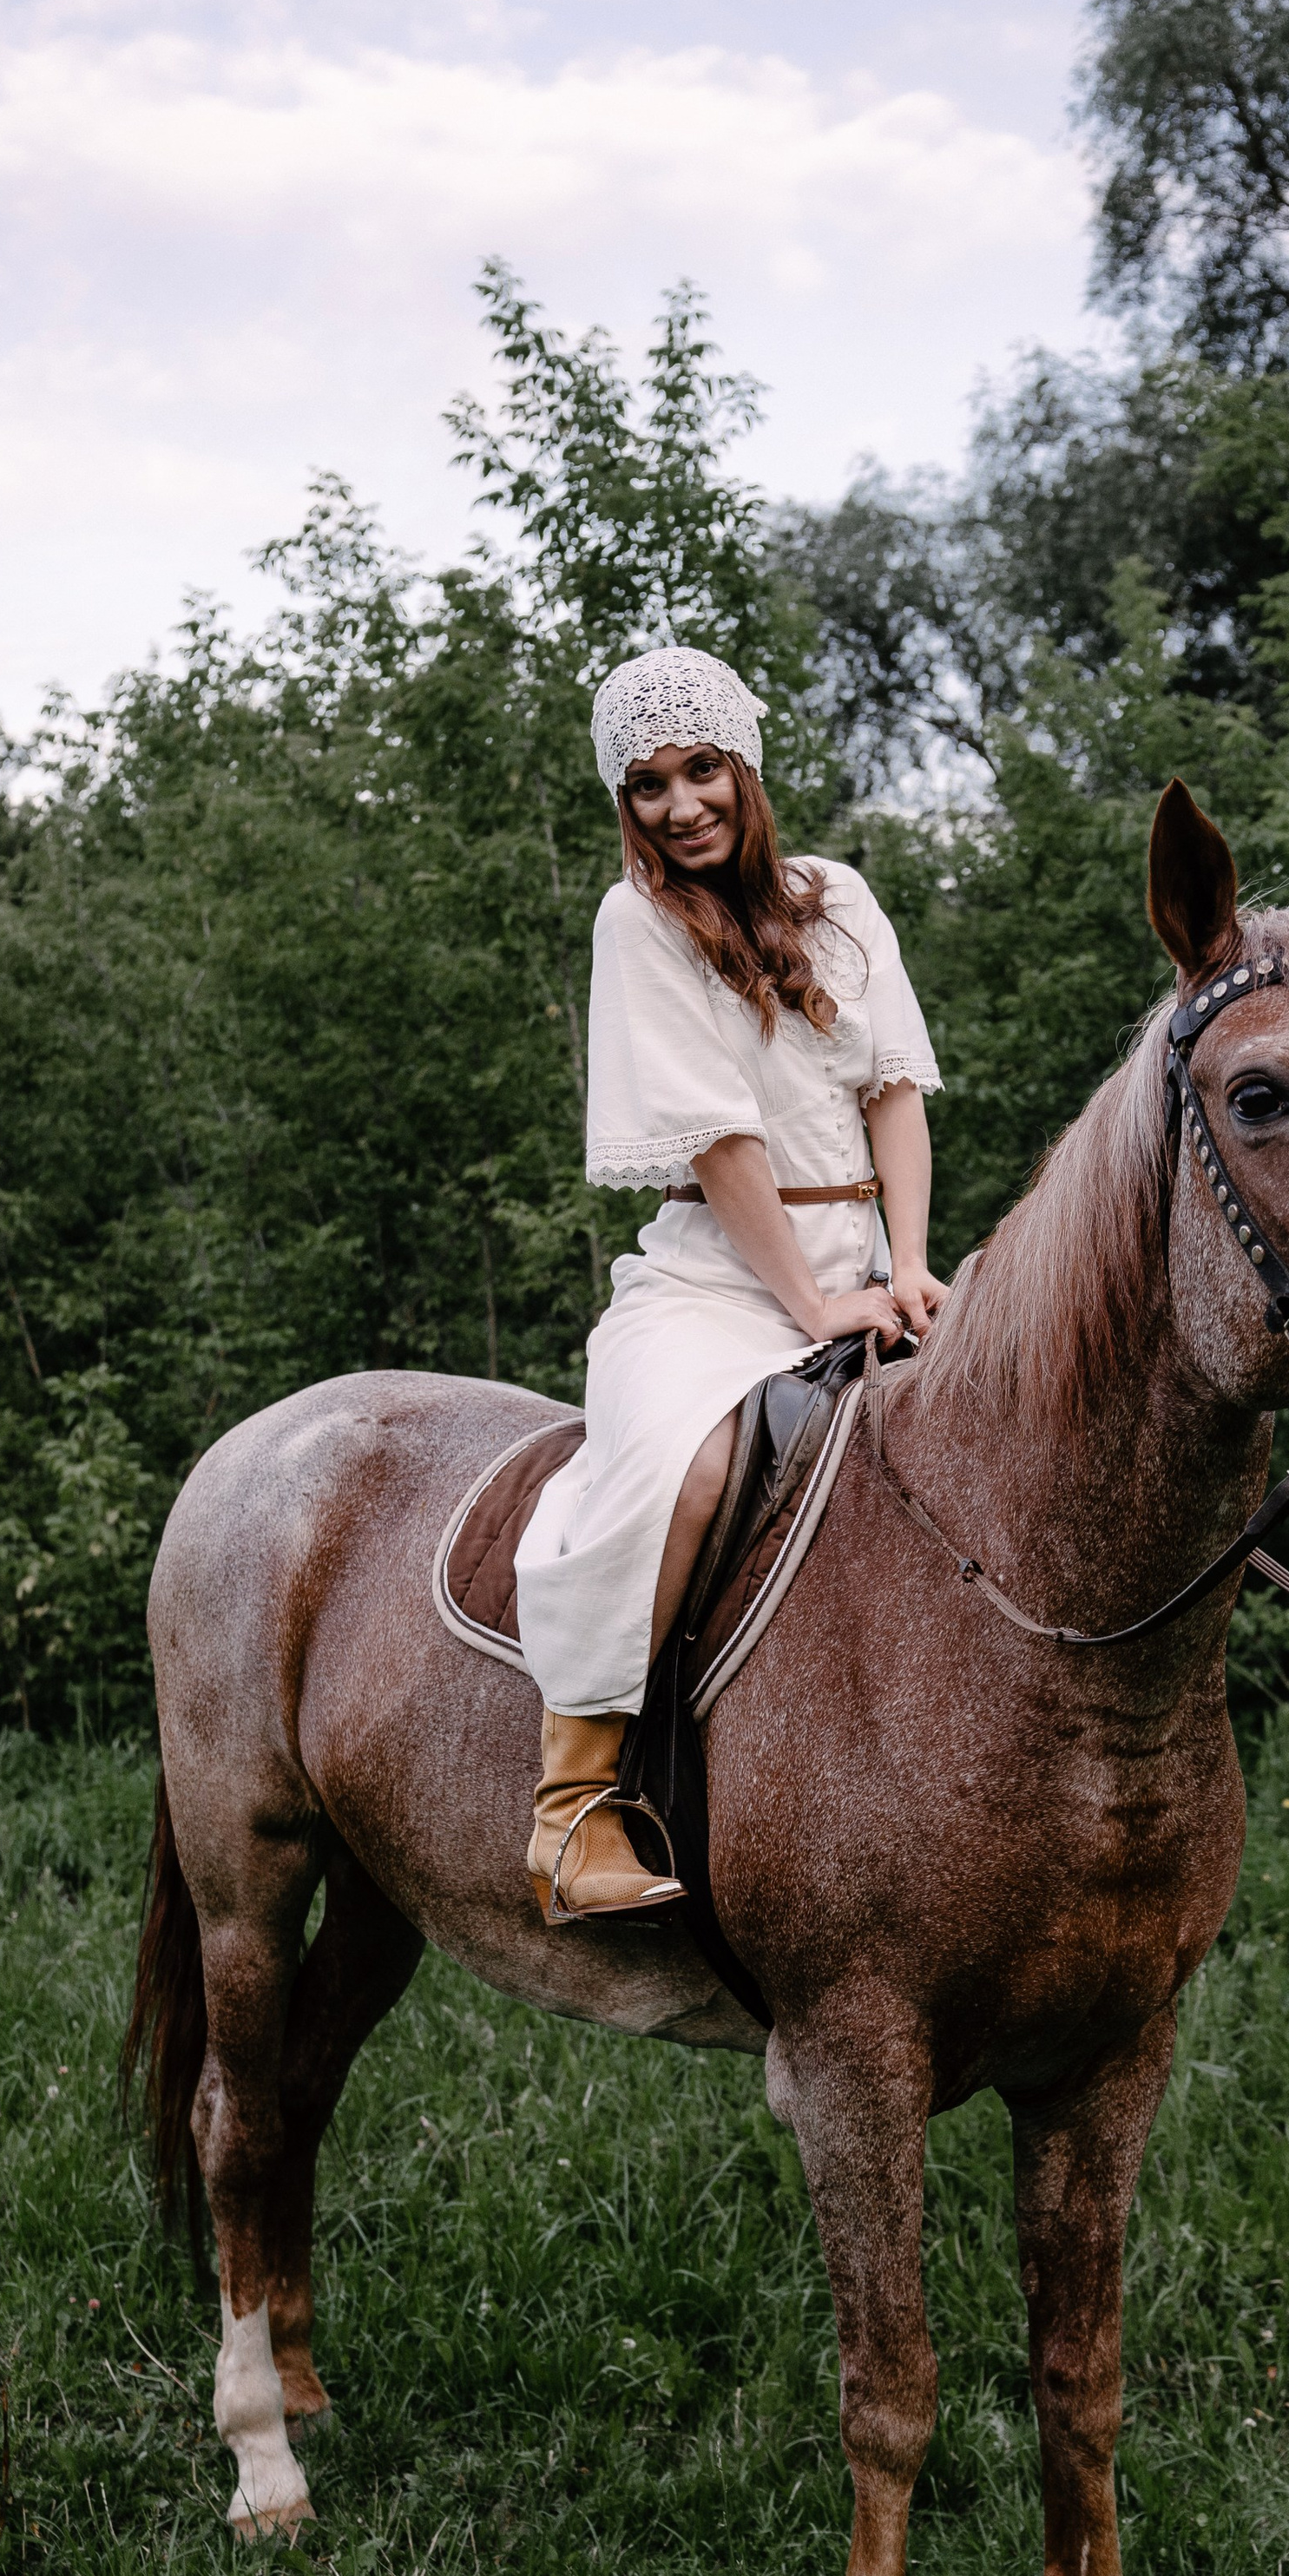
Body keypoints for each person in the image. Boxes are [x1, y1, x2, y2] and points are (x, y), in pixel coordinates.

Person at [514, 644, 947, 1918]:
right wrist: (813, 1310)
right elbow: (721, 1141)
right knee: (686, 1467)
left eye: (702, 769)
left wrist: (910, 1267)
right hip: (714, 1281)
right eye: (646, 785)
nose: (680, 805)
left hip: (864, 1263)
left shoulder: (842, 898)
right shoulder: (637, 920)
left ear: (745, 767)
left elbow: (896, 1095)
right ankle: (576, 1808)